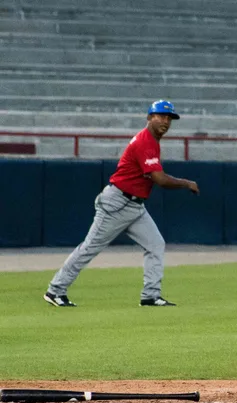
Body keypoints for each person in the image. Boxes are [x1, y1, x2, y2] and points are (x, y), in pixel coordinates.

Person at [43, 100, 200, 308]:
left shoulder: (152, 141)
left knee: (155, 244)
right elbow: (160, 179)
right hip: (117, 203)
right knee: (89, 248)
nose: (165, 121)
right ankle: (55, 290)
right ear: (149, 117)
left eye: (169, 118)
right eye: (161, 116)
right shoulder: (145, 141)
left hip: (135, 206)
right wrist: (186, 183)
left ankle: (150, 296)